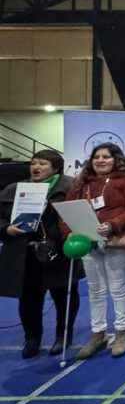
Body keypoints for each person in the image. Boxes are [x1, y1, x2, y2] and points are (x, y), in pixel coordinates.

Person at [64, 144, 125, 359]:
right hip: (88, 243)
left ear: (115, 159)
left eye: (106, 157)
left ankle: (121, 334)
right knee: (95, 290)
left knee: (118, 289)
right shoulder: (80, 184)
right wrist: (69, 232)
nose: (100, 160)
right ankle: (98, 334)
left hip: (115, 242)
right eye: (96, 157)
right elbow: (67, 211)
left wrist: (113, 224)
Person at [0, 150, 83, 358]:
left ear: (56, 168)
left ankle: (63, 336)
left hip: (59, 252)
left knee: (64, 296)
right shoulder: (14, 189)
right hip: (24, 254)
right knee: (29, 299)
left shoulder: (71, 187)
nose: (36, 167)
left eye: (42, 163)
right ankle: (32, 338)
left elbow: (81, 215)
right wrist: (6, 228)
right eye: (33, 163)